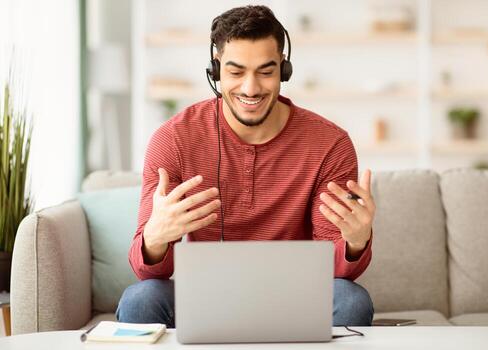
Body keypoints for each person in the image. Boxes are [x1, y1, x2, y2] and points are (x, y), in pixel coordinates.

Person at [117, 5, 376, 328]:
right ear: (216, 69)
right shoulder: (173, 139)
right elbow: (147, 273)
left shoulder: (329, 144)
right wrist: (155, 238)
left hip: (294, 297)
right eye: (236, 72)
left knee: (352, 301)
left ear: (284, 68)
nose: (251, 88)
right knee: (140, 300)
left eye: (266, 72)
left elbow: (338, 272)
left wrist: (355, 242)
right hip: (204, 294)